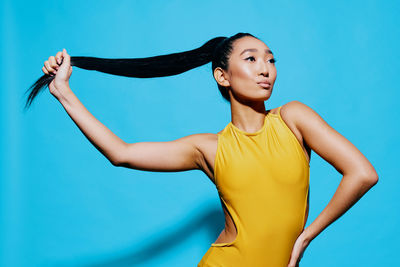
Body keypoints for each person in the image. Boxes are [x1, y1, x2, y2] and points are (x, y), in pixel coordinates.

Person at [34, 33, 378, 267]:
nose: (265, 69)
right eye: (252, 58)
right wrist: (63, 91)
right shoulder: (208, 148)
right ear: (222, 76)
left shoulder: (293, 119)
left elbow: (362, 174)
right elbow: (121, 153)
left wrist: (306, 237)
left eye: (271, 60)